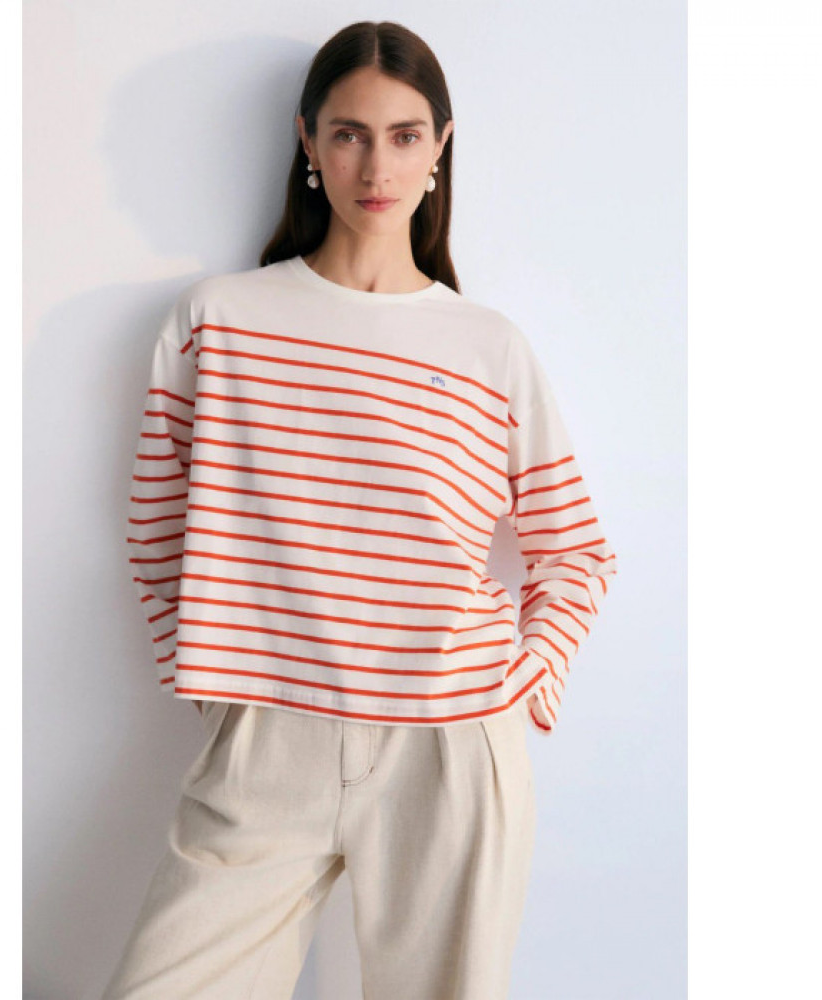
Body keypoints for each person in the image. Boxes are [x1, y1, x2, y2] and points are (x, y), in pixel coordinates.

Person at [102, 19, 617, 1000]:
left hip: (449, 741)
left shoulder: (488, 348)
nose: (376, 166)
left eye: (404, 135)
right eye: (348, 133)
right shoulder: (219, 320)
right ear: (308, 139)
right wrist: (218, 679)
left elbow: (575, 551)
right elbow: (154, 525)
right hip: (264, 740)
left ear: (440, 146)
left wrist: (522, 683)